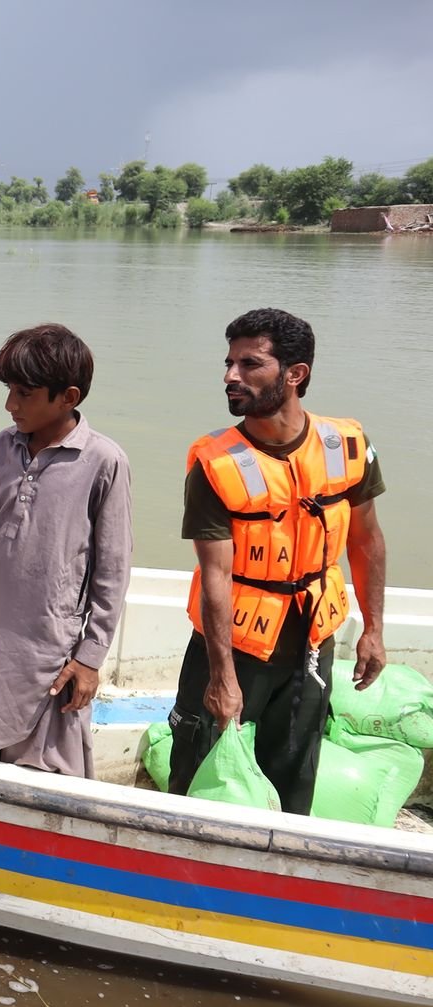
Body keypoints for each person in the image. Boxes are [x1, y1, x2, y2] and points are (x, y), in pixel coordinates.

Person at [167, 308, 388, 815]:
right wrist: (223, 678)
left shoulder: (348, 444)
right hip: (235, 644)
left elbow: (367, 541)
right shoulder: (214, 463)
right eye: (229, 363)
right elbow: (215, 576)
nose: (231, 376)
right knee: (199, 767)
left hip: (311, 640)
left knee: (294, 767)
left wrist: (373, 629)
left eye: (250, 364)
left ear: (295, 374)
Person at [0, 325, 132, 777]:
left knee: (45, 764)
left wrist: (89, 659)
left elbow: (112, 574)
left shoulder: (103, 463)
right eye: (9, 390)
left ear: (68, 396)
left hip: (47, 641)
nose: (11, 405)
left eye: (25, 394)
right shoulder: (5, 446)